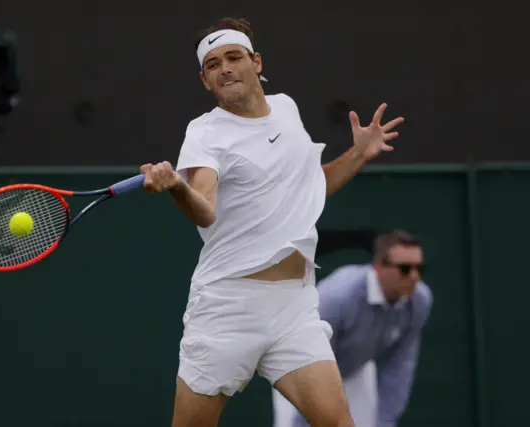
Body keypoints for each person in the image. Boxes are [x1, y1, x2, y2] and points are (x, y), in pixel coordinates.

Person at [139, 17, 405, 427]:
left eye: (233, 57)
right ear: (205, 80)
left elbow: (310, 189)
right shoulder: (205, 133)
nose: (225, 68)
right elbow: (205, 210)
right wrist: (177, 185)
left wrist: (359, 155)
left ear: (256, 62)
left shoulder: (286, 108)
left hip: (294, 306)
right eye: (213, 65)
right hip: (229, 306)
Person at [272, 229, 433, 427]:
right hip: (300, 372)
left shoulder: (419, 300)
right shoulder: (338, 297)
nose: (414, 277)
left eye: (420, 268)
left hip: (355, 370)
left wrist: (385, 422)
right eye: (405, 269)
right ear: (379, 267)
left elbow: (400, 365)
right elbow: (310, 365)